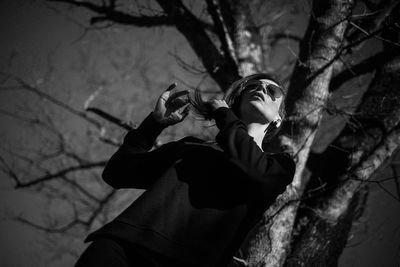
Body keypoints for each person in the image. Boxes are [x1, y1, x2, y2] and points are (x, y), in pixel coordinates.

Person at [74, 73, 296, 267]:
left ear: (278, 119)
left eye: (272, 90)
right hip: (122, 247)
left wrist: (225, 118)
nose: (260, 89)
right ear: (238, 101)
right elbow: (117, 172)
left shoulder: (277, 166)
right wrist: (153, 125)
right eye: (253, 86)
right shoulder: (192, 147)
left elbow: (254, 170)